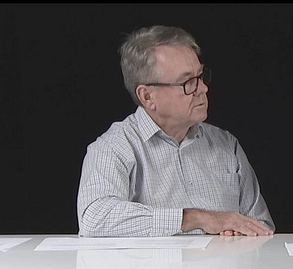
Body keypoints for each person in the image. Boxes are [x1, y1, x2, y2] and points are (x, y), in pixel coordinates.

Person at [77, 25, 274, 237]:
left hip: (226, 259)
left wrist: (240, 236)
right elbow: (94, 218)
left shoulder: (226, 144)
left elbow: (261, 226)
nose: (203, 88)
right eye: (188, 82)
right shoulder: (114, 146)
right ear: (147, 96)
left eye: (201, 76)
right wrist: (195, 218)